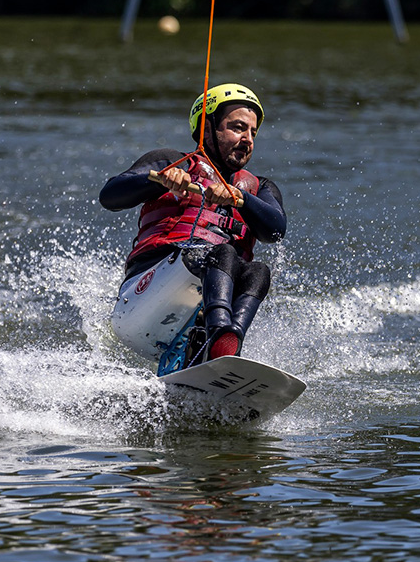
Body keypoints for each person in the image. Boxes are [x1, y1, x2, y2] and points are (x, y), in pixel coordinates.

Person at [99, 83, 286, 368]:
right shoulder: (173, 162)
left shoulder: (259, 188)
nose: (247, 139)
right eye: (237, 127)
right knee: (222, 253)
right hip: (147, 290)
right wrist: (158, 179)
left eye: (252, 132)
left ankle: (224, 349)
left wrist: (241, 199)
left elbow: (275, 230)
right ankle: (220, 338)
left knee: (258, 271)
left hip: (202, 298)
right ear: (207, 129)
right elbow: (109, 196)